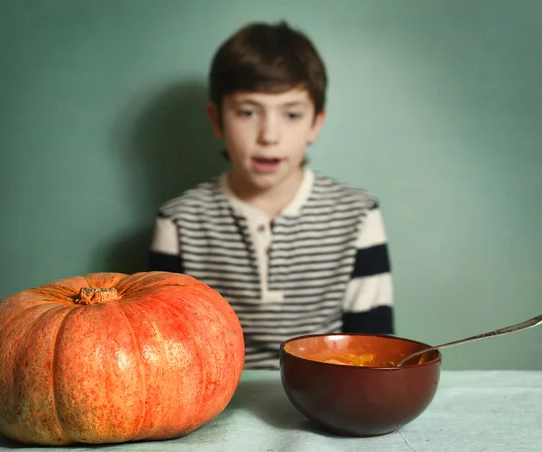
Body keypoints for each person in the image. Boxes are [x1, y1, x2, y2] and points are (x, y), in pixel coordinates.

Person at [147, 20, 394, 369]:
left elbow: (375, 349)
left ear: (315, 124)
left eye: (292, 114)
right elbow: (165, 352)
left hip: (328, 396)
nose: (269, 135)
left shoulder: (357, 215)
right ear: (217, 120)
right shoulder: (178, 222)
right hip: (216, 404)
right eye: (248, 112)